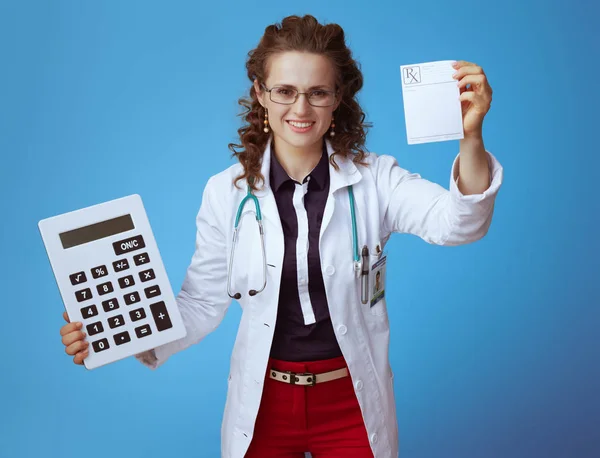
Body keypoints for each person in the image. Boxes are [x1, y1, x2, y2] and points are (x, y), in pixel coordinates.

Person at [59, 14, 502, 458]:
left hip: (350, 401)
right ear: (261, 94)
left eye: (318, 92)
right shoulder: (225, 193)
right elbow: (200, 305)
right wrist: (115, 330)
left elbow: (460, 224)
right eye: (285, 91)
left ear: (337, 98)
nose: (301, 109)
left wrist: (471, 136)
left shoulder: (376, 180)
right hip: (264, 403)